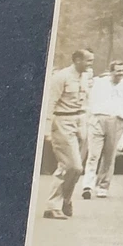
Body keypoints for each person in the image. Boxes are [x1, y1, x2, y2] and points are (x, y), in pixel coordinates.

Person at [42, 49, 94, 219]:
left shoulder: (85, 77)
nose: (90, 64)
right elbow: (50, 103)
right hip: (63, 122)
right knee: (71, 166)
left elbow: (85, 100)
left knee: (77, 169)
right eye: (88, 60)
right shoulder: (61, 77)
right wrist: (47, 129)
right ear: (77, 60)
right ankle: (52, 206)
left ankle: (66, 199)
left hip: (80, 122)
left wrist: (86, 122)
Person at [82, 61, 123, 200]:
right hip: (97, 119)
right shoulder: (99, 83)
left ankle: (102, 186)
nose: (120, 73)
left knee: (109, 156)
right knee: (93, 155)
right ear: (111, 71)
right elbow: (88, 99)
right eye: (118, 71)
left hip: (117, 121)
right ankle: (87, 186)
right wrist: (88, 118)